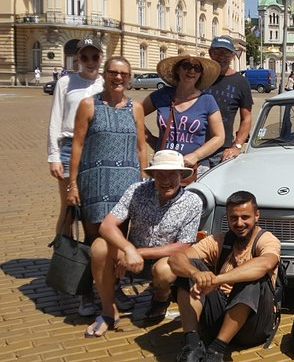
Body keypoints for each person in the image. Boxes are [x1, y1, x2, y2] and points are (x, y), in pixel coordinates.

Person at [83, 150, 203, 337]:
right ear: (153, 174)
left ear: (181, 175)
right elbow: (107, 226)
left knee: (165, 271)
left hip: (163, 259)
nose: (166, 179)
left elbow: (184, 246)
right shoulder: (136, 190)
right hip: (132, 253)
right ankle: (108, 311)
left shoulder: (193, 202)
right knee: (99, 246)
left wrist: (139, 253)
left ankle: (160, 297)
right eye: (160, 173)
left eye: (171, 173)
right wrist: (128, 249)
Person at [169, 191, 281, 362]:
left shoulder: (266, 240)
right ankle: (192, 345)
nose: (239, 223)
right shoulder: (219, 240)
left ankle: (216, 351)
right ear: (227, 218)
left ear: (256, 215)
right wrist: (196, 274)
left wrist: (216, 280)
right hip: (220, 318)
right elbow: (175, 259)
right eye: (233, 218)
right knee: (188, 268)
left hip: (254, 326)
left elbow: (265, 264)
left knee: (253, 276)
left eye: (245, 217)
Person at [46, 39, 104, 314]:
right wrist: (53, 155)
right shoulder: (65, 83)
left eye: (95, 56)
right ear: (78, 59)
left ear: (100, 57)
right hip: (69, 148)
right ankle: (65, 261)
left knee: (94, 214)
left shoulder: (106, 82)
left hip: (99, 148)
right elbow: (56, 119)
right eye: (86, 57)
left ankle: (97, 274)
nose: (91, 62)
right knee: (70, 208)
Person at [67, 57, 147, 242]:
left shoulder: (136, 108)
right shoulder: (88, 105)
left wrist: (144, 182)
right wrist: (72, 185)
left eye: (123, 74)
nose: (118, 77)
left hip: (127, 185)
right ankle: (94, 272)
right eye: (113, 72)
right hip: (95, 183)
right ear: (104, 75)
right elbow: (77, 145)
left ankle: (116, 272)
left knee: (120, 237)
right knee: (94, 238)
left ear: (129, 78)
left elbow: (141, 148)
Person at [143, 54, 224, 178]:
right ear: (177, 69)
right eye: (186, 66)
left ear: (200, 73)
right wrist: (149, 138)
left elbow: (219, 137)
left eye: (197, 68)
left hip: (193, 169)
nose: (191, 71)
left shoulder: (207, 100)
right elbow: (133, 114)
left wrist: (195, 155)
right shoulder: (162, 95)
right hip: (163, 165)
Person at [205, 36, 253, 168]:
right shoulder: (199, 77)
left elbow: (246, 118)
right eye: (218, 52)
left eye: (226, 53)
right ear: (210, 53)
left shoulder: (240, 82)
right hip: (195, 147)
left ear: (232, 56)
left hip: (222, 151)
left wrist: (237, 146)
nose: (222, 57)